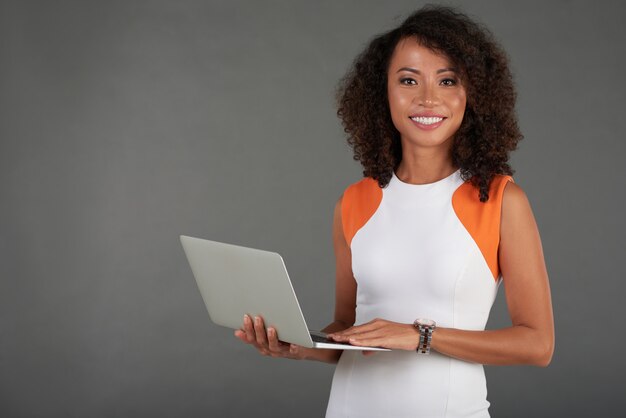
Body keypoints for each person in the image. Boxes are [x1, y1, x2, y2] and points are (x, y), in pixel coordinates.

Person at [234, 5, 554, 417]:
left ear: (472, 94)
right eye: (408, 80)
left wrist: (421, 336)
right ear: (381, 92)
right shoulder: (354, 201)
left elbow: (537, 344)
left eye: (448, 80)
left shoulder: (500, 200)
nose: (427, 98)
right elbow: (348, 333)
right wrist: (303, 345)